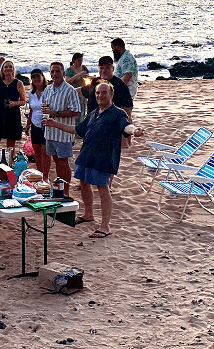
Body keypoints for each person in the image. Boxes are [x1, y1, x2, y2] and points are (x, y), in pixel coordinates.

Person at [44, 81, 144, 238]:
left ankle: (105, 226)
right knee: (84, 184)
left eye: (104, 92)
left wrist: (134, 130)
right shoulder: (93, 113)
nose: (100, 95)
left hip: (103, 158)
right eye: (97, 93)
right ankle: (88, 214)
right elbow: (77, 130)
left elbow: (126, 126)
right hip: (86, 155)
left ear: (111, 94)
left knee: (103, 189)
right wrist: (54, 124)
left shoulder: (118, 114)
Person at [41, 62, 81, 184]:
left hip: (63, 134)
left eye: (57, 71)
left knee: (63, 163)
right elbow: (45, 108)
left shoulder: (70, 90)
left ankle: (66, 191)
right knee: (56, 161)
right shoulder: (47, 89)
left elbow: (76, 111)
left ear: (63, 73)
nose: (54, 74)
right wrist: (45, 111)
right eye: (52, 71)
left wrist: (56, 113)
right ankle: (61, 188)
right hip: (50, 133)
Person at [0, 59, 25, 160]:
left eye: (10, 67)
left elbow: (23, 101)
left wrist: (15, 103)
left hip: (13, 115)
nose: (8, 68)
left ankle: (9, 163)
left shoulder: (19, 83)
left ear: (13, 70)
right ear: (2, 70)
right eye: (6, 67)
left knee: (11, 145)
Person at [24, 69, 50, 182]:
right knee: (37, 151)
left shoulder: (48, 91)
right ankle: (40, 173)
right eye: (33, 77)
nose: (36, 79)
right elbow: (31, 110)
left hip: (46, 124)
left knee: (46, 151)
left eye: (38, 77)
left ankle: (46, 176)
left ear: (43, 77)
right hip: (35, 124)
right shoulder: (31, 93)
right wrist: (28, 125)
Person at [112, 38, 138, 119]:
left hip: (125, 92)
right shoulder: (123, 58)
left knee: (125, 115)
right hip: (123, 91)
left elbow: (128, 76)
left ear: (117, 47)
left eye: (113, 48)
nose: (112, 51)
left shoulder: (127, 58)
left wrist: (117, 88)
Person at [65, 52, 89, 125]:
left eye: (81, 60)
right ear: (74, 61)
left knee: (83, 110)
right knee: (75, 110)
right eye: (79, 61)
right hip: (73, 92)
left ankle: (80, 126)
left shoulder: (84, 68)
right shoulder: (69, 70)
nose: (80, 62)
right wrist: (77, 75)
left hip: (83, 92)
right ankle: (73, 126)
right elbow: (67, 81)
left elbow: (88, 78)